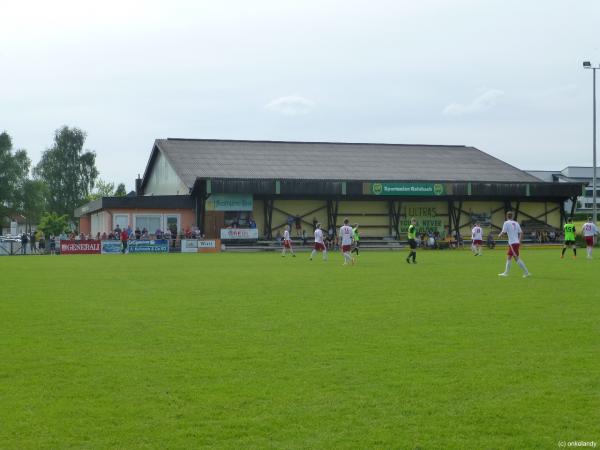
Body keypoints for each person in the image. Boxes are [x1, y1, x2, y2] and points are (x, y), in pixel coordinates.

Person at [498, 211, 531, 278]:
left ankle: (527, 272)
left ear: (506, 216)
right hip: (515, 243)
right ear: (512, 216)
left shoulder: (506, 223)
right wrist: (519, 242)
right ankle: (506, 273)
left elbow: (503, 231)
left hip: (512, 243)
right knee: (509, 257)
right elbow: (521, 233)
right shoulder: (516, 223)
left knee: (516, 258)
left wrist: (499, 235)